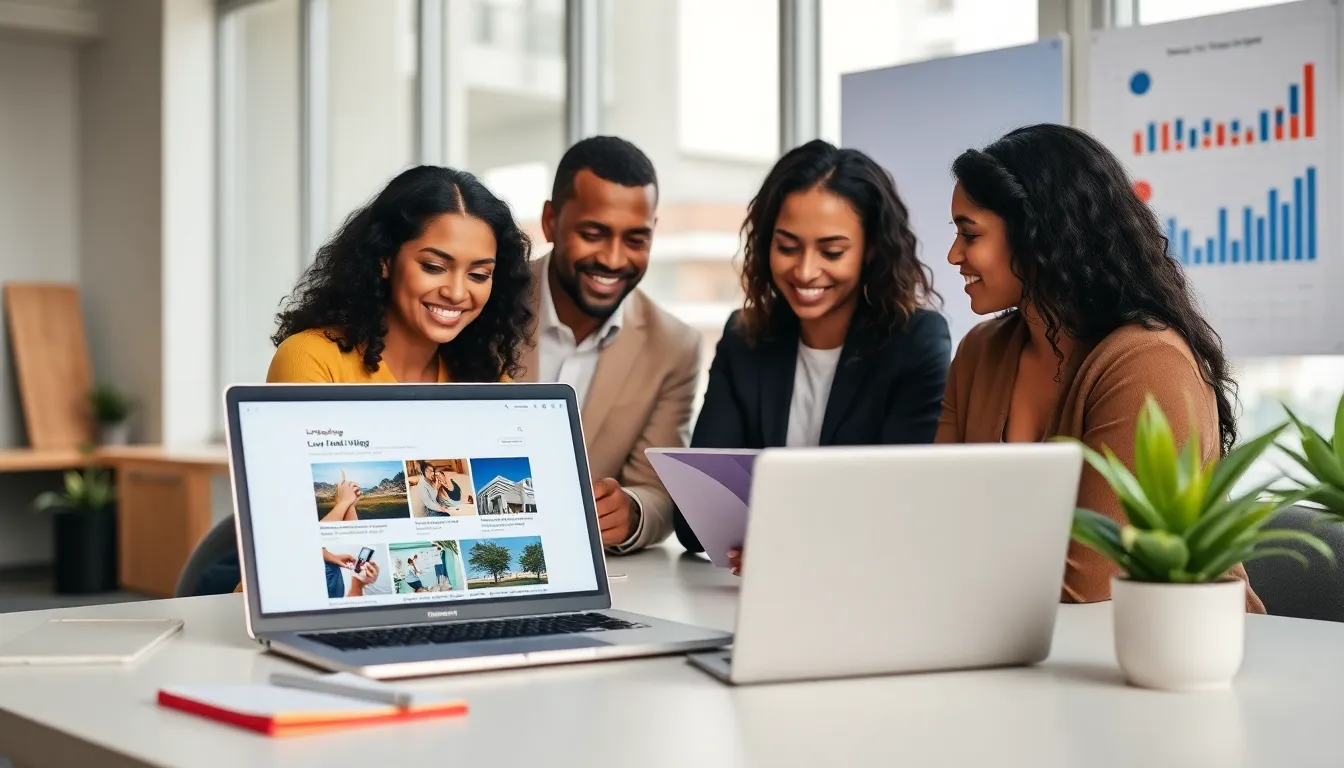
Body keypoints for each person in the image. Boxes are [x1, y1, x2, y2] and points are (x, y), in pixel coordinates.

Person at [935, 123, 1263, 612]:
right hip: (1015, 646)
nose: (954, 255)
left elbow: (1088, 586)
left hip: (1168, 657)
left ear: (1036, 235)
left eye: (970, 234)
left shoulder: (1145, 364)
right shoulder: (981, 351)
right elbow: (933, 524)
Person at [678, 139, 951, 572]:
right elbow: (695, 524)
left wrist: (795, 543)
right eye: (788, 247)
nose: (805, 271)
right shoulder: (744, 338)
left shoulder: (916, 342)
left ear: (872, 249)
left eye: (832, 251)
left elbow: (907, 509)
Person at [518, 136, 701, 554]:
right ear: (550, 222)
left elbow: (656, 489)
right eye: (594, 233)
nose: (615, 260)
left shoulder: (674, 347)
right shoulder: (485, 304)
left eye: (636, 240)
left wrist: (631, 512)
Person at [268, 165, 533, 384]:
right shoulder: (311, 359)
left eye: (478, 275)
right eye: (433, 267)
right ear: (385, 258)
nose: (456, 292)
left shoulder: (486, 378)